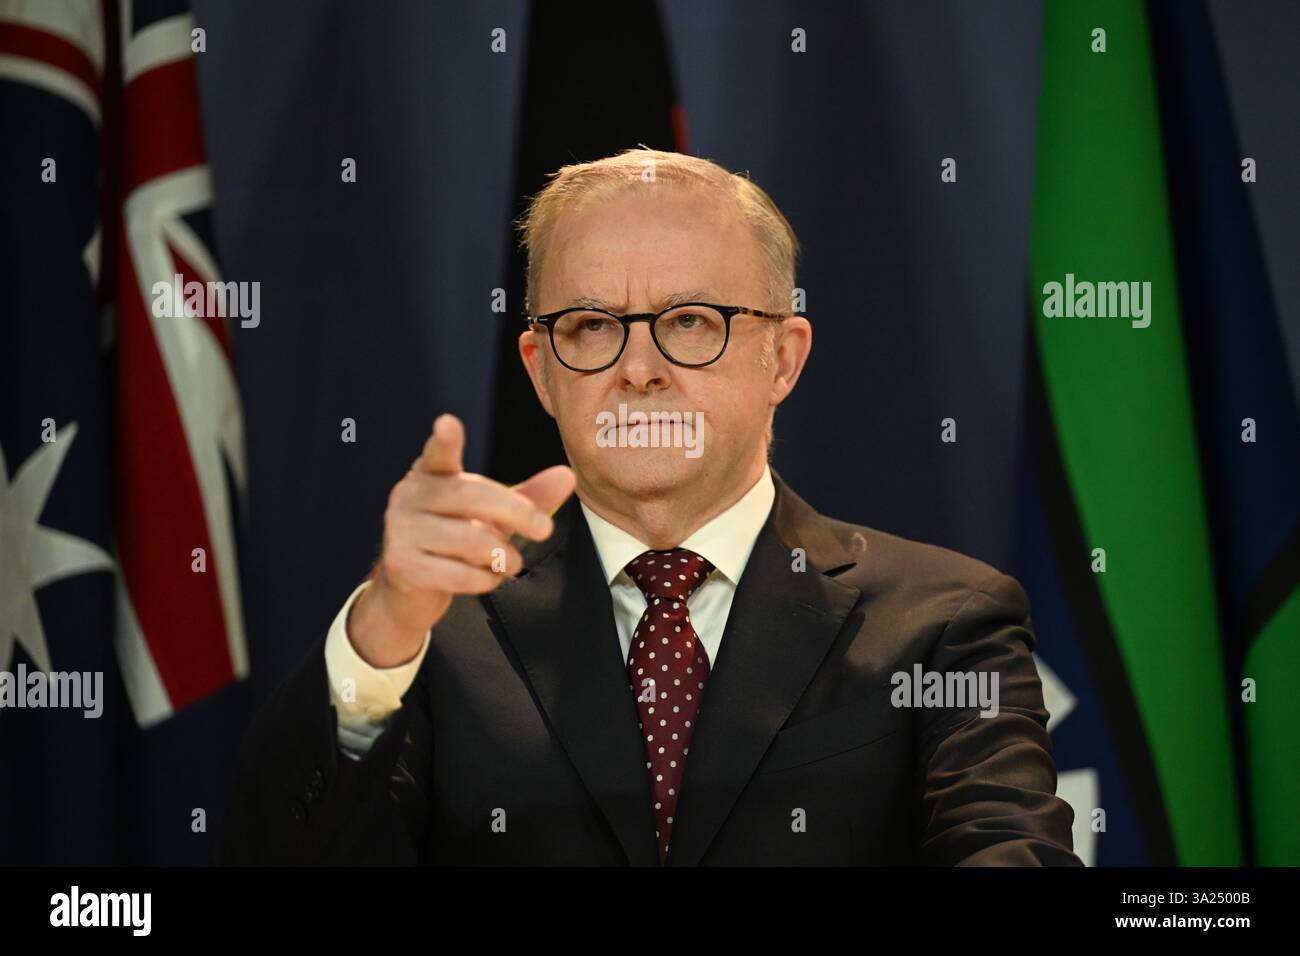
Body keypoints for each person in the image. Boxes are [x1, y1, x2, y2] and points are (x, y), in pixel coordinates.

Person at [216, 148, 1081, 866]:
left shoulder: (944, 617)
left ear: (783, 358)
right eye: (591, 326)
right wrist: (380, 637)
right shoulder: (435, 627)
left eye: (692, 320)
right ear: (540, 369)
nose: (639, 369)